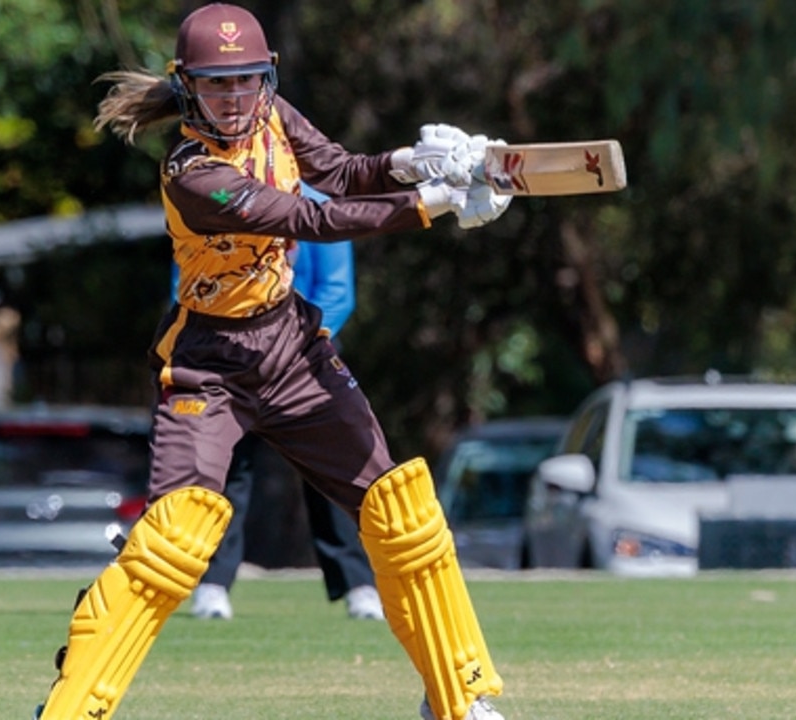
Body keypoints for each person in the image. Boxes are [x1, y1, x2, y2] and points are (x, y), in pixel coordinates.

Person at [32, 5, 512, 720]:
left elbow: (344, 174)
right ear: (187, 86)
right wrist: (429, 202)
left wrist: (413, 162)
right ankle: (70, 711)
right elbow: (306, 217)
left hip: (293, 348)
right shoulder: (193, 173)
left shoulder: (275, 115)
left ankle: (460, 698)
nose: (235, 98)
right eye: (218, 84)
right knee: (172, 541)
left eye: (247, 81)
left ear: (266, 77)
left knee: (399, 511)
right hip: (209, 364)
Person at [177, 183, 384, 622]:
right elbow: (188, 282)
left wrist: (286, 345)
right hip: (229, 354)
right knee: (226, 471)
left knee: (334, 471)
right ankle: (212, 584)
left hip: (308, 353)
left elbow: (337, 291)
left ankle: (358, 585)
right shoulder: (214, 196)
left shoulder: (318, 206)